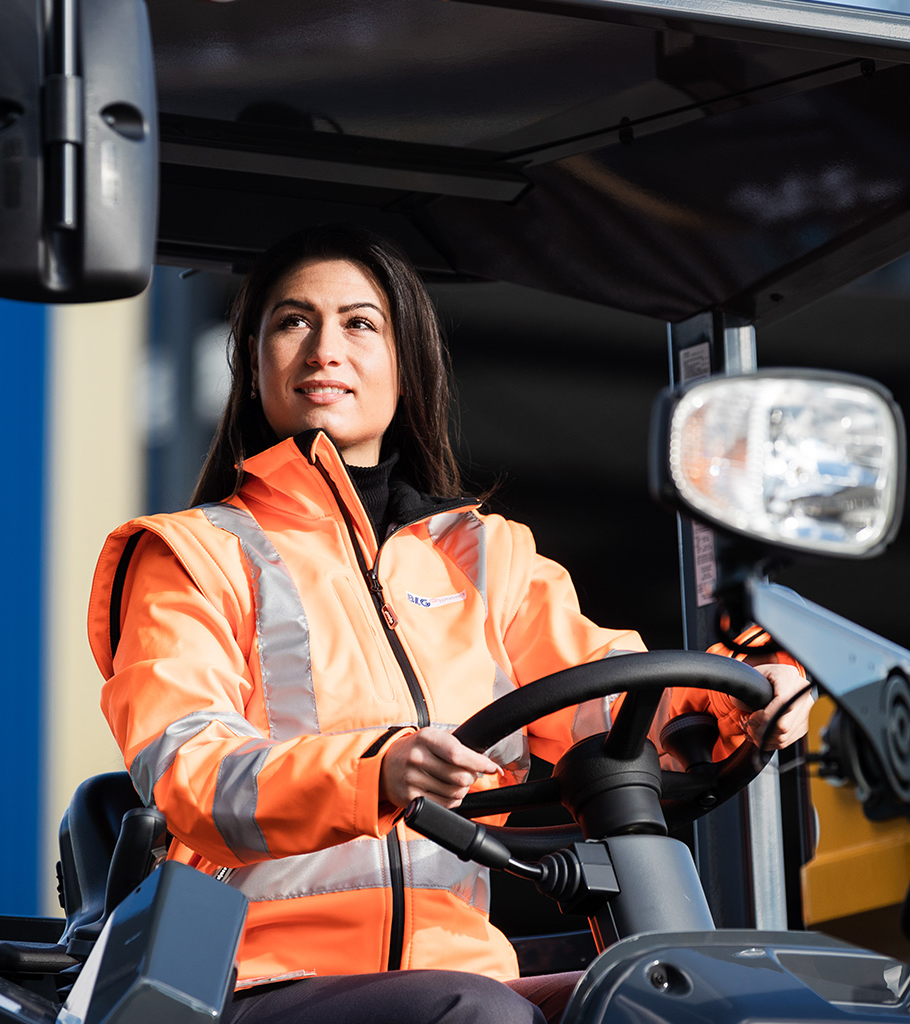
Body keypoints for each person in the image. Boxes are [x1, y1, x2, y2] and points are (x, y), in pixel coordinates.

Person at [86, 225, 814, 1024]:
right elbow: (190, 771)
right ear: (253, 359)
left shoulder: (481, 554)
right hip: (257, 976)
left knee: (695, 1006)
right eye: (293, 321)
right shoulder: (192, 553)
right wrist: (378, 770)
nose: (325, 347)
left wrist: (736, 699)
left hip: (456, 968)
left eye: (361, 323)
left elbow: (611, 709)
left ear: (407, 364)